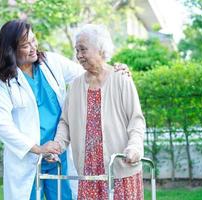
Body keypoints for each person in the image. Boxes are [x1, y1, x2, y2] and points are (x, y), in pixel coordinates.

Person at [0, 20, 129, 200]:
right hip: (28, 158)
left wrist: (114, 71)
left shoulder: (51, 62)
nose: (32, 47)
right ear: (11, 49)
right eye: (25, 45)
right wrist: (38, 148)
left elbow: (87, 74)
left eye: (33, 40)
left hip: (58, 153)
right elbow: (3, 126)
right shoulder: (3, 84)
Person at [48, 24, 146, 199]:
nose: (78, 55)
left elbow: (136, 120)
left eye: (83, 49)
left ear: (100, 49)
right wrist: (57, 145)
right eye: (76, 50)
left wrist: (135, 147)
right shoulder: (75, 86)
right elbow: (65, 123)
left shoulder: (121, 78)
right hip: (89, 174)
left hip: (120, 170)